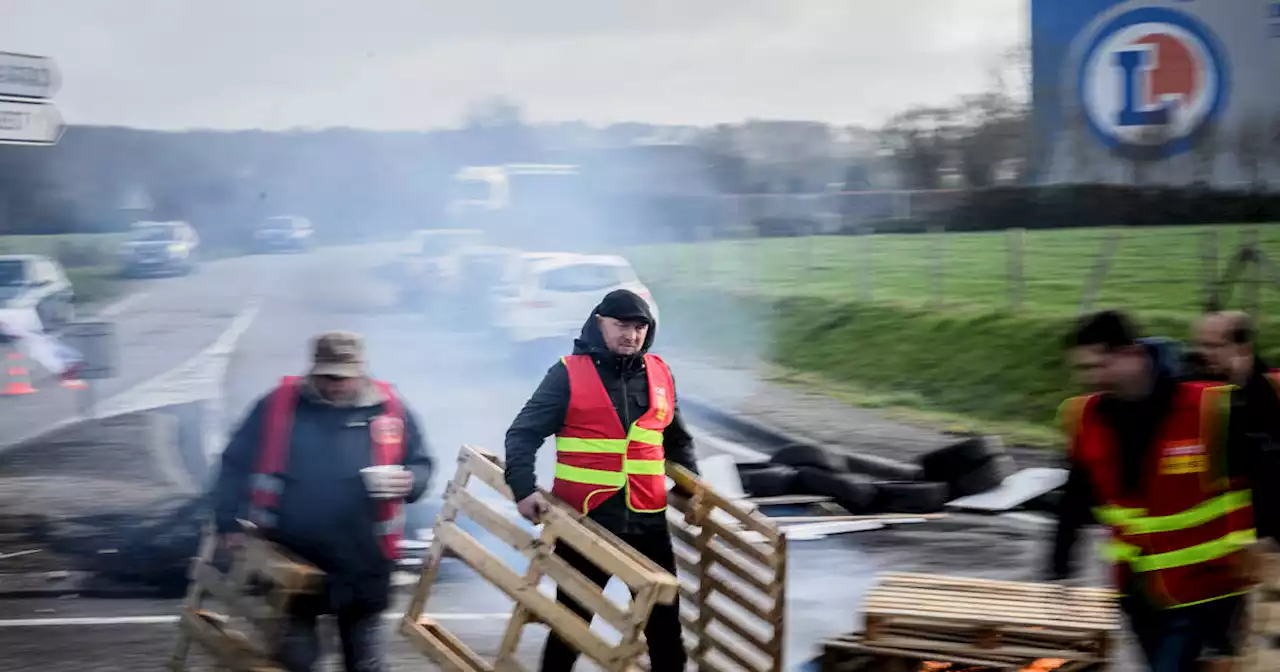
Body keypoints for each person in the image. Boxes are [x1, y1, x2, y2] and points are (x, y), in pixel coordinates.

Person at [211, 331, 434, 672]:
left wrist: (410, 480)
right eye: (327, 376)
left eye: (343, 378)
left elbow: (421, 463)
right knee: (297, 660)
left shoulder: (389, 408)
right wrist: (227, 523)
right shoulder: (279, 404)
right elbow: (234, 463)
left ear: (361, 371)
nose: (335, 384)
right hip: (291, 557)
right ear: (313, 370)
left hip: (365, 559)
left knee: (366, 662)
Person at [1049, 310, 1257, 671]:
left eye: (1097, 366)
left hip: (1208, 593)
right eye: (1083, 370)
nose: (1090, 379)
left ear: (1131, 353)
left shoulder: (1210, 407)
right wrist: (1059, 568)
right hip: (1140, 594)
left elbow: (1269, 479)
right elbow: (1076, 497)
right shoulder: (1088, 418)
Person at [504, 289, 698, 672]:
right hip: (585, 524)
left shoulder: (660, 373)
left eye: (639, 326)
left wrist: (691, 491)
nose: (630, 334)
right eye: (621, 325)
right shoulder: (568, 372)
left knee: (664, 630)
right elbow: (522, 434)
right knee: (571, 626)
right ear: (599, 324)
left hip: (647, 524)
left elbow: (678, 441)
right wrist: (523, 490)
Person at [1194, 310, 1280, 542]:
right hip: (1219, 543)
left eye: (1213, 346)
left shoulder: (1272, 395)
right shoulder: (1198, 396)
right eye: (1201, 345)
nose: (1203, 354)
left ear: (1243, 348)